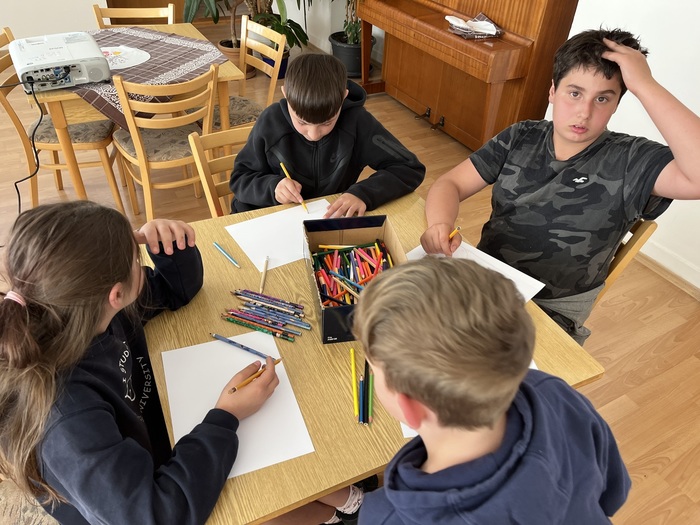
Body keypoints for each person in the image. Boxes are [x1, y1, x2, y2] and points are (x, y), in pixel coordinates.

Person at [0, 201, 366, 525]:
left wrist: (173, 249)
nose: (141, 260)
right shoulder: (66, 419)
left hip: (152, 434)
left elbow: (176, 292)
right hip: (135, 498)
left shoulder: (79, 310)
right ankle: (336, 514)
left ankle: (341, 503)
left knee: (281, 463)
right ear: (116, 294)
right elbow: (157, 515)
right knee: (264, 494)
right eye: (136, 259)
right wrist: (226, 416)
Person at [420, 28, 700, 344]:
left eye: (603, 98)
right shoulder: (521, 136)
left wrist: (646, 85)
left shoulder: (632, 159)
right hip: (486, 280)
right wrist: (440, 224)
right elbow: (451, 183)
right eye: (574, 93)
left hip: (551, 311)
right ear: (552, 91)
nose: (584, 112)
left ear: (617, 104)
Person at [352, 257, 631, 524]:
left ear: (410, 407)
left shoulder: (387, 516)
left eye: (373, 370)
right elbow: (613, 491)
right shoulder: (552, 390)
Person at [229, 53, 425, 218]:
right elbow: (240, 179)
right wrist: (273, 187)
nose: (314, 134)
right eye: (302, 122)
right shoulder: (270, 122)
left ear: (343, 97)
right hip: (264, 219)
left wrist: (363, 194)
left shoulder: (358, 122)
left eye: (326, 123)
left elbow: (409, 168)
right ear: (286, 94)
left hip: (325, 221)